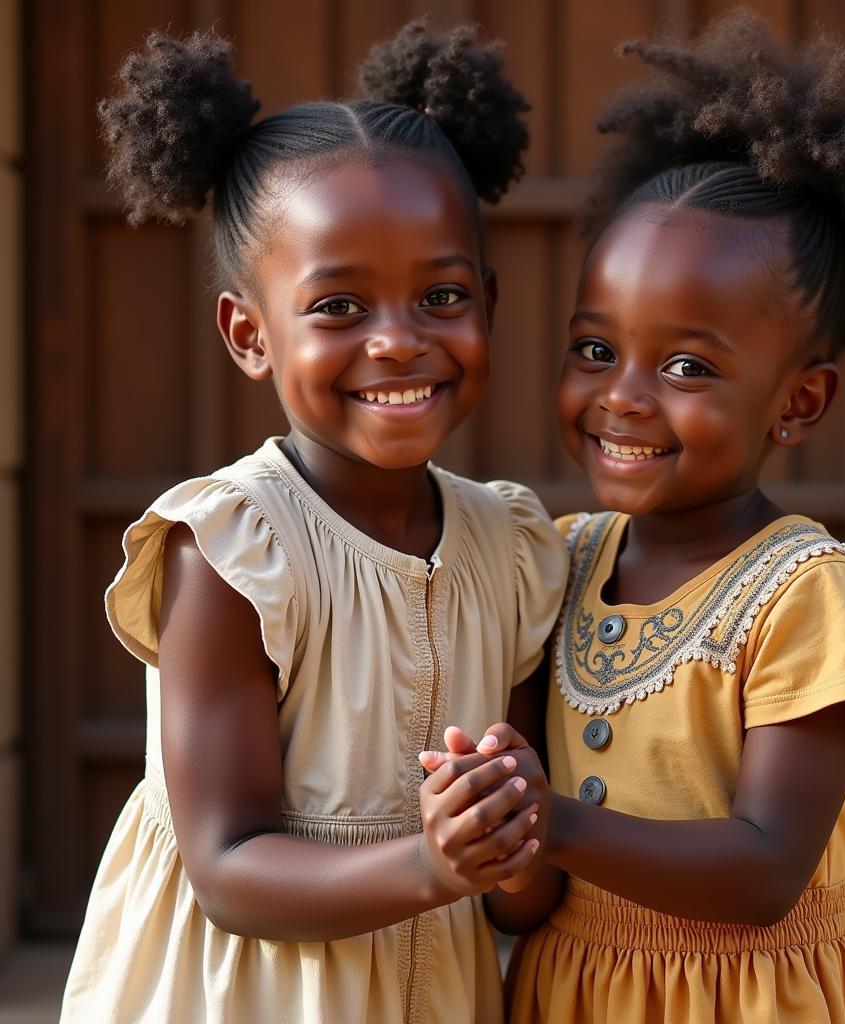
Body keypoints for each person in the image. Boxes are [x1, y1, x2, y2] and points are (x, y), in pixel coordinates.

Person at [425, 12, 845, 1022]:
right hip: (571, 993)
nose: (624, 397)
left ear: (799, 402)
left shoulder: (804, 594)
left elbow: (766, 867)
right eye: (596, 349)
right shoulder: (553, 564)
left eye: (686, 367)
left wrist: (549, 819)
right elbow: (526, 906)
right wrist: (495, 826)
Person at [60, 21, 567, 1024]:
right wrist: (430, 861)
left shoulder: (512, 552)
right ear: (251, 334)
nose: (397, 341)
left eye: (441, 295)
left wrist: (506, 835)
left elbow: (524, 894)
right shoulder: (238, 552)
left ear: (488, 303)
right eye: (338, 305)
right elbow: (227, 868)